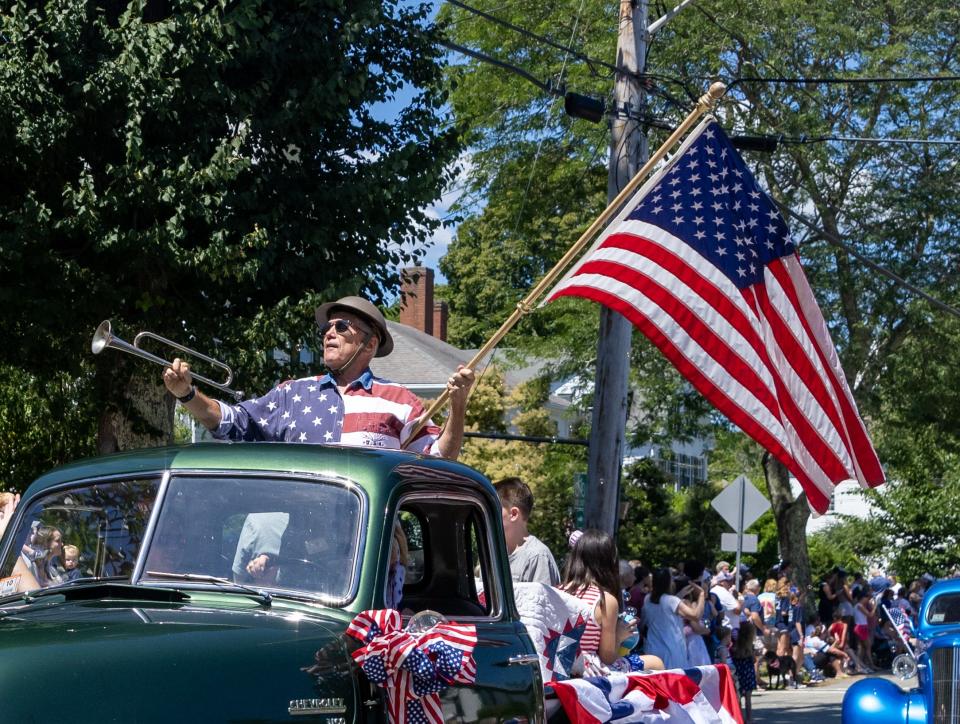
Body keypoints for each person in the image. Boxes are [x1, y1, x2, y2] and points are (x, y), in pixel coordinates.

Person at [163, 296, 475, 459]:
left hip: (373, 550)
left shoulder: (399, 400)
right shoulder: (292, 393)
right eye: (326, 328)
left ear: (370, 344)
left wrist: (458, 407)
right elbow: (233, 422)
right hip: (300, 549)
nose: (329, 333)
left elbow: (439, 457)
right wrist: (187, 394)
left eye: (342, 327)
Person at [558, 530, 662, 670]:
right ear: (609, 562)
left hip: (559, 668)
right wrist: (619, 635)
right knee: (655, 662)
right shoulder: (604, 600)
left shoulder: (557, 591)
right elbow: (607, 657)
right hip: (588, 672)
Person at [494, 478, 560, 586]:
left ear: (514, 514)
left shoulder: (537, 556)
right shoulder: (495, 552)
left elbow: (541, 601)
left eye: (494, 509)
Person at [642, 567, 705, 670]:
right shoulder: (672, 601)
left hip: (653, 649)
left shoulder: (648, 599)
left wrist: (679, 595)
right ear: (668, 582)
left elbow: (664, 606)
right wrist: (702, 595)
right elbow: (696, 616)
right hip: (672, 650)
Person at [731, 620, 758, 722]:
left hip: (738, 673)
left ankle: (739, 718)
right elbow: (754, 659)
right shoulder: (749, 646)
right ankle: (749, 718)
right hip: (748, 673)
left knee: (738, 697)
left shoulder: (735, 645)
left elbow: (733, 657)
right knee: (748, 698)